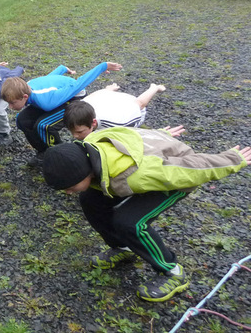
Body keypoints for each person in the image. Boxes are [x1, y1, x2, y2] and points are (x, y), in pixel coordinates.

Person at [42, 126, 251, 302]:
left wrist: (232, 159)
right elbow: (126, 133)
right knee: (88, 199)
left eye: (69, 186)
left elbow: (191, 169)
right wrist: (157, 135)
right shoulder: (91, 142)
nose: (68, 192)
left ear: (84, 172)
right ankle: (123, 248)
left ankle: (173, 272)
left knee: (129, 222)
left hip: (174, 176)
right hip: (144, 162)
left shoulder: (137, 175)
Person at [0, 61, 122, 166]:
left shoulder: (47, 102)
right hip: (53, 97)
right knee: (21, 120)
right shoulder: (27, 86)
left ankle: (60, 155)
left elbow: (79, 84)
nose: (10, 107)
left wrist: (102, 66)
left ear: (24, 96)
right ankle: (43, 152)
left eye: (12, 103)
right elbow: (48, 78)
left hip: (73, 98)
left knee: (44, 125)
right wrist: (62, 69)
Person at [64, 83, 166, 140]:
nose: (74, 136)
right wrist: (108, 89)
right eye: (71, 131)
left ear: (93, 122)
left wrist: (154, 88)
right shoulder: (81, 105)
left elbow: (140, 103)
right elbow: (96, 94)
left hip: (133, 106)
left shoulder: (118, 122)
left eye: (79, 132)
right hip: (111, 100)